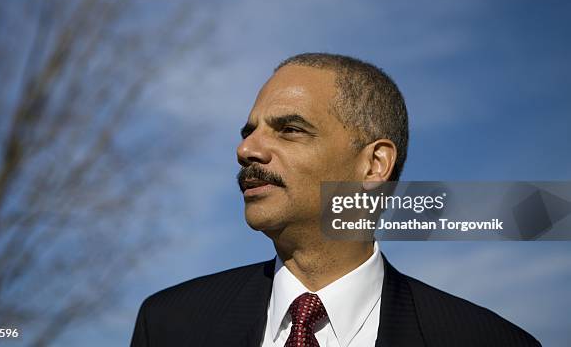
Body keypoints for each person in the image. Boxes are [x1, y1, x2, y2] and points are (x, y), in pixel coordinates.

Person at [130, 53, 540, 346]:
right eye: (248, 131)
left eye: (290, 129)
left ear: (374, 164)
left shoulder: (486, 339)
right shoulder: (169, 324)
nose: (246, 150)